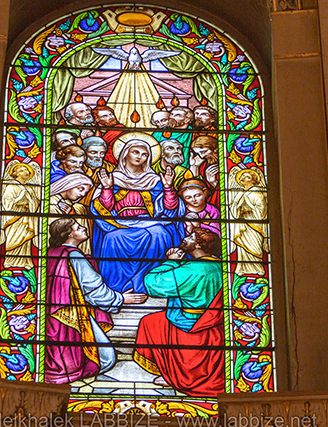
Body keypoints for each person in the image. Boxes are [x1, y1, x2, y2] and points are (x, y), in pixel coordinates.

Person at [45, 218, 147, 384]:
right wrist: (122, 298)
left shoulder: (52, 253)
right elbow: (94, 290)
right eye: (78, 227)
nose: (84, 228)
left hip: (52, 315)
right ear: (69, 234)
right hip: (71, 315)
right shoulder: (73, 255)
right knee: (105, 358)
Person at [133, 228, 224, 397]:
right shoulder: (220, 266)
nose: (185, 238)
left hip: (190, 323)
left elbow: (154, 283)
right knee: (152, 320)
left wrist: (171, 262)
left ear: (198, 245)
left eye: (190, 237)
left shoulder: (194, 269)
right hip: (215, 324)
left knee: (150, 324)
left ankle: (173, 375)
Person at [91, 139, 185, 293]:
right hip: (119, 223)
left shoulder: (154, 180)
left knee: (161, 234)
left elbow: (170, 209)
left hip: (149, 222)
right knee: (112, 238)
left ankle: (152, 283)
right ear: (124, 154)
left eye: (144, 154)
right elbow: (103, 209)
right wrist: (107, 188)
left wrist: (168, 187)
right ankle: (115, 288)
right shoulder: (112, 178)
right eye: (135, 152)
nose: (140, 156)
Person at [0, 160, 41, 270]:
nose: (26, 172)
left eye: (27, 170)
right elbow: (7, 203)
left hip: (26, 215)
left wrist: (31, 202)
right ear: (16, 174)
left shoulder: (29, 188)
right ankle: (9, 260)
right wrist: (20, 197)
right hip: (14, 217)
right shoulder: (11, 186)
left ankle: (26, 261)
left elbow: (36, 202)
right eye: (22, 170)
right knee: (13, 237)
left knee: (25, 239)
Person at [228, 167, 269, 276]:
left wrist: (249, 205)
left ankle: (258, 267)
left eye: (246, 177)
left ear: (253, 180)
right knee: (242, 247)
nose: (242, 178)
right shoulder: (240, 193)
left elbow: (261, 211)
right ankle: (241, 268)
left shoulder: (257, 192)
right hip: (242, 223)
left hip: (254, 224)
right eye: (242, 176)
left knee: (255, 245)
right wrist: (236, 206)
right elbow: (234, 210)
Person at [49, 173, 94, 254]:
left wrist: (72, 213)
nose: (83, 194)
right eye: (80, 189)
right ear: (69, 185)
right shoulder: (51, 204)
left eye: (86, 192)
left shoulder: (72, 206)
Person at [80, 136, 116, 206]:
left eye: (102, 153)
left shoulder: (111, 169)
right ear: (84, 152)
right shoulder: (76, 167)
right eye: (93, 152)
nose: (98, 156)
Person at [189, 135, 219, 205]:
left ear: (215, 148)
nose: (202, 156)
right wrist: (195, 167)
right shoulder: (203, 165)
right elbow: (196, 189)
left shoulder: (226, 163)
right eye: (198, 153)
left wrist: (213, 182)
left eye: (204, 151)